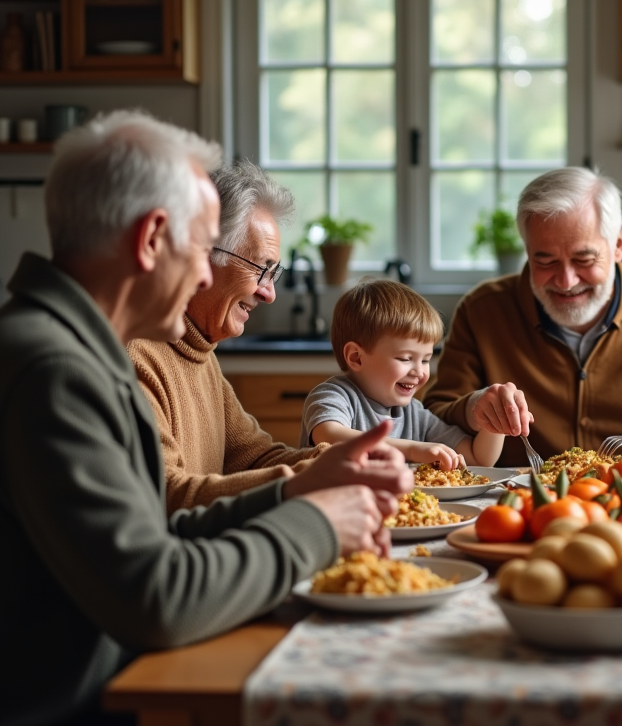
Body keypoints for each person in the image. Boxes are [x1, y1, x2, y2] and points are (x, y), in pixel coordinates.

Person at [0, 111, 412, 726]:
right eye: (199, 248)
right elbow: (158, 597)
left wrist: (313, 481)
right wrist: (316, 523)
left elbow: (155, 538)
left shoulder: (79, 352)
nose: (200, 274)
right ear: (150, 239)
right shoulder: (56, 369)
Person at [423, 167, 622, 467]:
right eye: (544, 261)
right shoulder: (482, 310)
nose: (566, 281)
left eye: (583, 259)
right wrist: (473, 408)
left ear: (619, 244)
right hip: (518, 503)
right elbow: (431, 419)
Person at [128, 159, 325, 511]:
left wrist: (335, 459)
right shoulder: (137, 355)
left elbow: (253, 457)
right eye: (261, 269)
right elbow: (166, 494)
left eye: (273, 274)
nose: (269, 293)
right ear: (205, 256)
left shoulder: (199, 349)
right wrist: (304, 479)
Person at [300, 279, 505, 468]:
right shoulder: (332, 396)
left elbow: (478, 460)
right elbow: (330, 436)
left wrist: (497, 421)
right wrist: (412, 449)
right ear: (356, 357)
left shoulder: (414, 414)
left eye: (425, 359)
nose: (419, 371)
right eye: (405, 358)